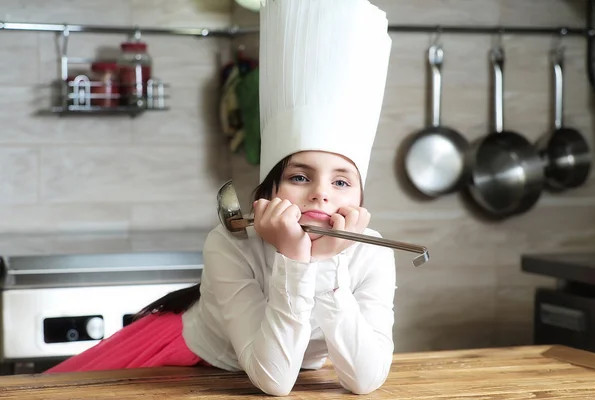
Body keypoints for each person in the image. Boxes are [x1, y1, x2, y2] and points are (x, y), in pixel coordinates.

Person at [45, 0, 395, 396]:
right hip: (188, 364)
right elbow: (274, 381)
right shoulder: (230, 243)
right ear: (270, 188)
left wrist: (327, 263)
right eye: (299, 176)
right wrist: (296, 261)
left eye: (342, 183)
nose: (321, 194)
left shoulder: (373, 253)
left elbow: (366, 379)